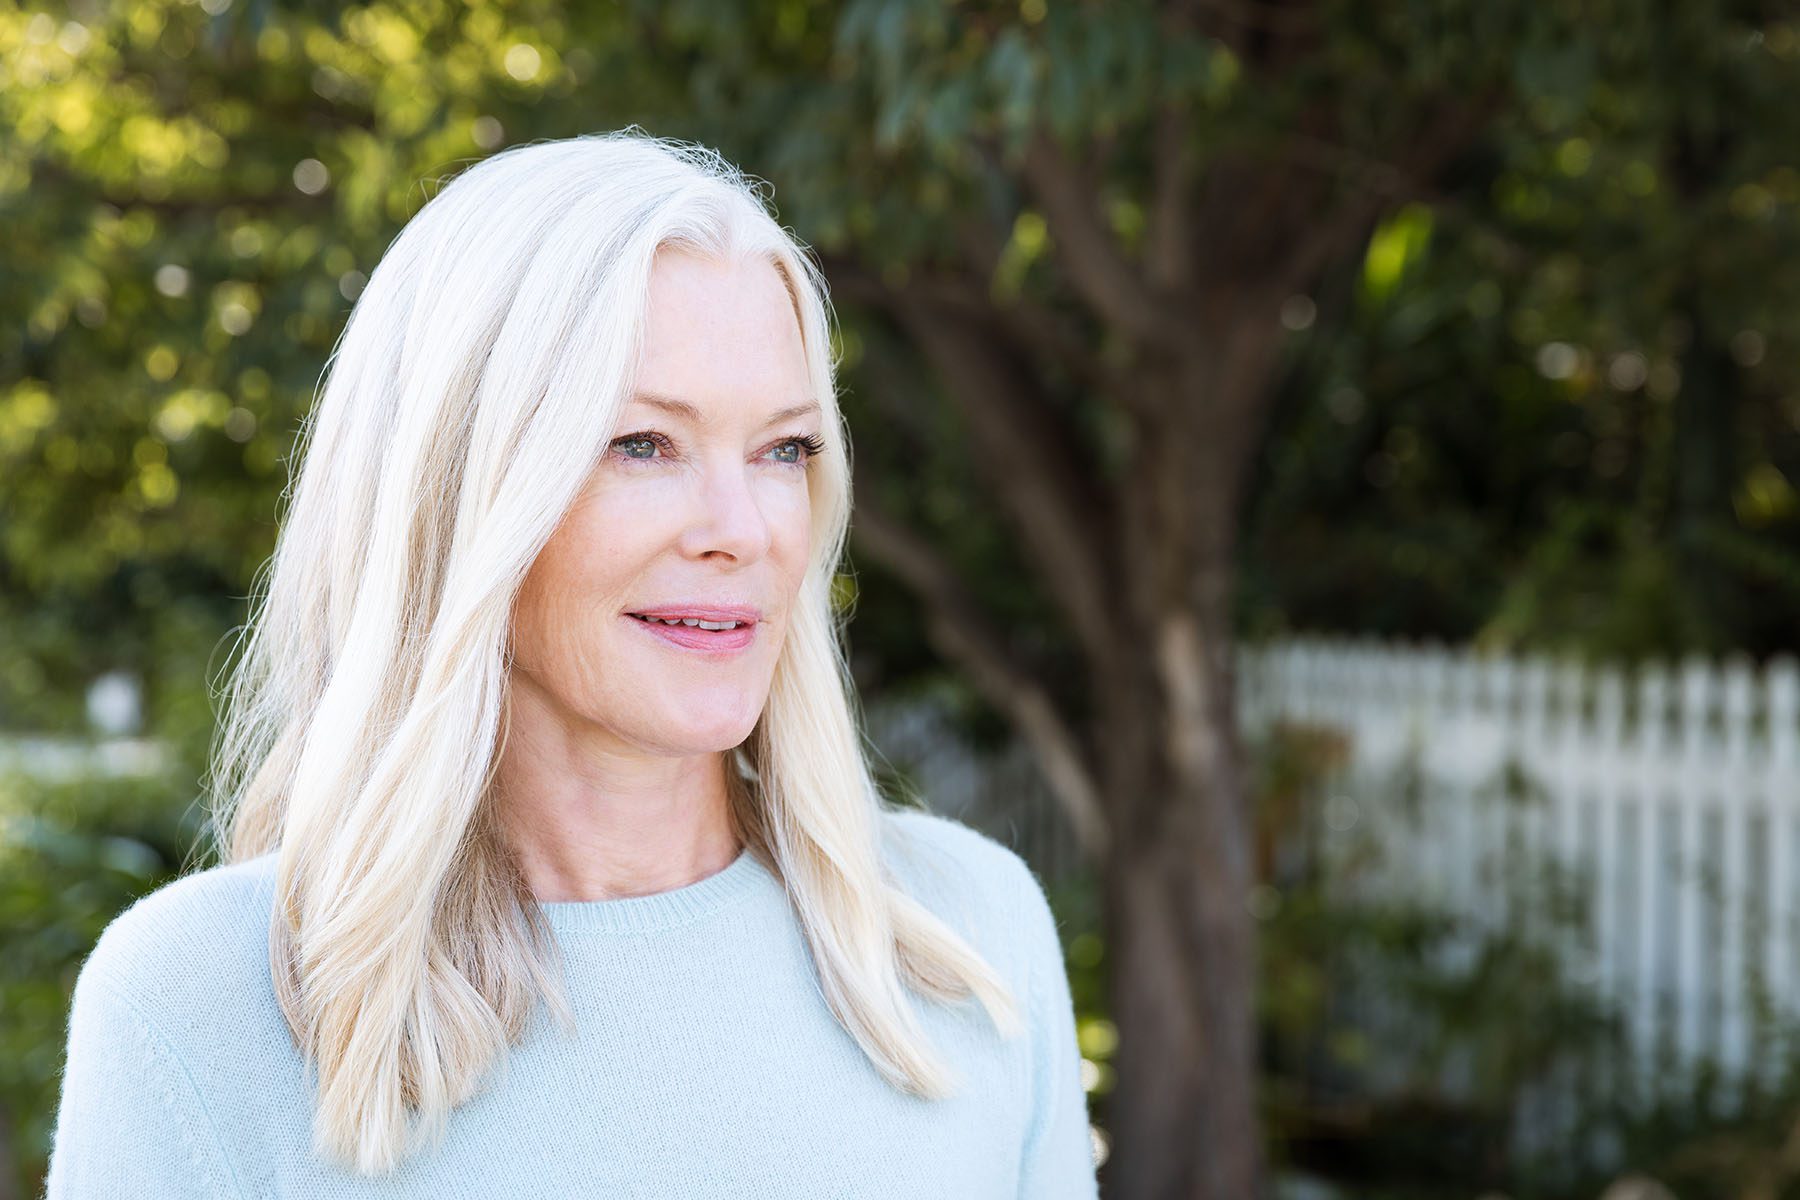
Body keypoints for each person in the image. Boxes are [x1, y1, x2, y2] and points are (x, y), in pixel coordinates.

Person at [44, 129, 1100, 1198]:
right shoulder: (200, 1009)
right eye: (643, 443)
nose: (743, 530)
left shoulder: (971, 935)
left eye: (784, 449)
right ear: (459, 496)